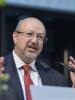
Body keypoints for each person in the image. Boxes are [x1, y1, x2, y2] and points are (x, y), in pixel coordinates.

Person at [0, 17, 68, 100]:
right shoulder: (2, 69)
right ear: (15, 37)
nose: (35, 41)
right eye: (29, 34)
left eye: (40, 37)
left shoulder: (58, 80)